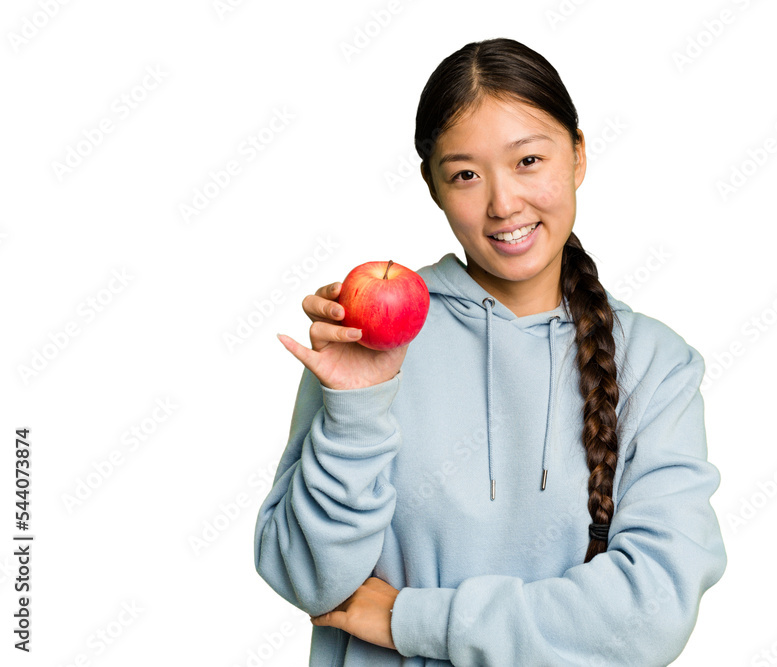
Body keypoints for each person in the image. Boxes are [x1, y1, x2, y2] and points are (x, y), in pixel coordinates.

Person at [254, 37, 727, 666]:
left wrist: (408, 618)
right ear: (433, 186)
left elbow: (651, 614)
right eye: (466, 175)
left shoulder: (656, 364)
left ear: (578, 155)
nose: (504, 204)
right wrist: (356, 411)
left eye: (528, 160)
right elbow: (310, 582)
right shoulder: (370, 341)